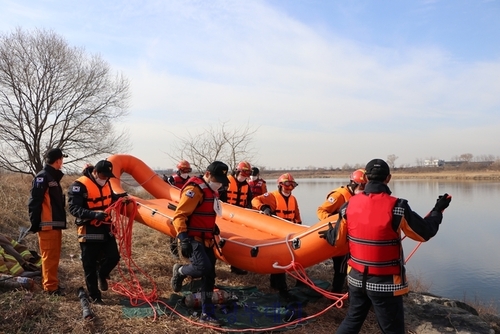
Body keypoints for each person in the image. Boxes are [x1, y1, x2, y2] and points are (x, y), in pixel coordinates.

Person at [319, 159, 452, 333]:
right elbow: (424, 233)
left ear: (366, 178)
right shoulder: (398, 206)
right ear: (388, 178)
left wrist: (329, 233)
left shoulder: (348, 205)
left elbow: (336, 240)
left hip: (356, 279)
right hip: (385, 283)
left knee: (352, 320)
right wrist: (437, 210)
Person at [170, 161, 229, 326]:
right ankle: (180, 271)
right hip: (193, 238)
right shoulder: (194, 190)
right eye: (217, 179)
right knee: (203, 267)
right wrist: (183, 238)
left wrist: (213, 227)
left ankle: (207, 312)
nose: (219, 183)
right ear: (208, 174)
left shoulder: (212, 191)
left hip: (208, 239)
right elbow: (179, 215)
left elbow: (205, 213)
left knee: (209, 276)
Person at [68, 160, 127, 304]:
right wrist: (94, 214)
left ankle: (102, 274)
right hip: (89, 229)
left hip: (106, 226)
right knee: (90, 265)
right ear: (95, 172)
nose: (106, 178)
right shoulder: (79, 186)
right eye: (103, 175)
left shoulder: (106, 182)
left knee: (114, 257)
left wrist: (121, 198)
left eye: (108, 176)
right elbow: (73, 208)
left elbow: (109, 198)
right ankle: (95, 296)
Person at [251, 173, 302, 300]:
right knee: (280, 259)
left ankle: (278, 283)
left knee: (290, 257)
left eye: (292, 186)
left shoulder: (293, 199)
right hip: (275, 232)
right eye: (287, 185)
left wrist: (299, 227)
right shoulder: (272, 196)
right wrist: (264, 207)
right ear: (280, 185)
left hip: (289, 233)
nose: (289, 188)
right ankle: (282, 289)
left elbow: (297, 214)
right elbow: (255, 200)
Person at [316, 169, 367, 293]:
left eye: (365, 186)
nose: (364, 188)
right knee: (341, 268)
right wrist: (335, 221)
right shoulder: (339, 195)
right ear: (353, 183)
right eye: (362, 185)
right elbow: (321, 211)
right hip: (339, 237)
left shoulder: (360, 196)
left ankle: (347, 289)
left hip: (352, 238)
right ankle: (337, 292)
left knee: (350, 267)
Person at [28, 148, 68, 295]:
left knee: (53, 256)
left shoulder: (52, 178)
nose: (62, 162)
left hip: (54, 224)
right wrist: (35, 223)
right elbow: (34, 201)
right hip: (47, 225)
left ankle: (52, 284)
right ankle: (50, 288)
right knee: (49, 257)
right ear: (58, 160)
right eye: (62, 159)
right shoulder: (43, 177)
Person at [219, 161, 253, 275]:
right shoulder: (225, 182)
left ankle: (235, 266)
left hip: (239, 219)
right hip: (225, 216)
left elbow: (249, 202)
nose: (244, 176)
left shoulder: (246, 186)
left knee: (238, 242)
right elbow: (217, 197)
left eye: (246, 174)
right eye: (243, 173)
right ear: (237, 171)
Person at [163, 159, 193, 258]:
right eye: (184, 170)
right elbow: (165, 189)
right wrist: (164, 182)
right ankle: (174, 251)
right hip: (174, 207)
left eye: (188, 170)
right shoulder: (172, 179)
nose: (186, 173)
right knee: (174, 229)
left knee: (187, 229)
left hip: (187, 207)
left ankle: (187, 252)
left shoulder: (191, 181)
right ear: (179, 170)